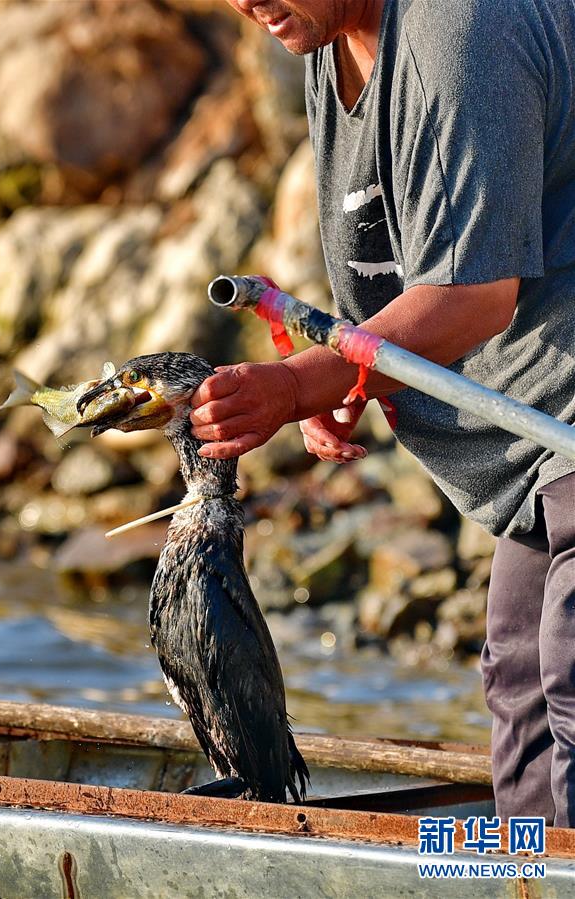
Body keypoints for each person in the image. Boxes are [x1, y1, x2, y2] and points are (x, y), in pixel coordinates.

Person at [189, 0, 575, 827]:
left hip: (562, 421)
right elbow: (392, 241)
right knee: (522, 690)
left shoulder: (464, 30)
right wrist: (350, 380)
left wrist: (301, 383)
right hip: (541, 437)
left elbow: (472, 296)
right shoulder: (331, 41)